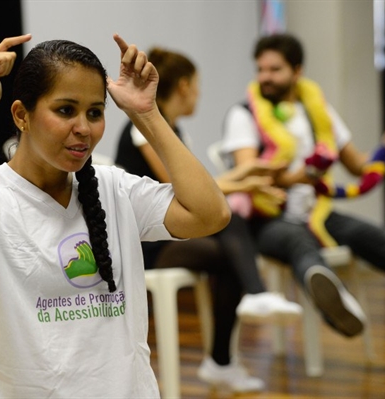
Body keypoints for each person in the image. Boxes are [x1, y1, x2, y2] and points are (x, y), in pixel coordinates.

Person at [0, 33, 232, 398]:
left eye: (95, 112)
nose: (83, 128)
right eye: (65, 110)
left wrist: (146, 113)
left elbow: (212, 214)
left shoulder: (115, 189)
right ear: (22, 115)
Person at [221, 32, 385, 338]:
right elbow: (249, 174)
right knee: (300, 242)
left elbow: (358, 166)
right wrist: (296, 178)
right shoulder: (243, 113)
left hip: (319, 212)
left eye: (274, 70)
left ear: (297, 71)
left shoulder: (318, 111)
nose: (265, 77)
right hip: (268, 219)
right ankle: (335, 301)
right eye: (260, 70)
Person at [114, 46, 302, 393]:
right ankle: (254, 298)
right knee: (226, 226)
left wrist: (247, 178)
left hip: (170, 234)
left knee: (228, 250)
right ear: (184, 86)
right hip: (146, 242)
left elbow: (198, 191)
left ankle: (221, 361)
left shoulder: (171, 130)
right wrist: (244, 178)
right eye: (198, 86)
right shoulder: (145, 130)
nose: (199, 94)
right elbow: (176, 190)